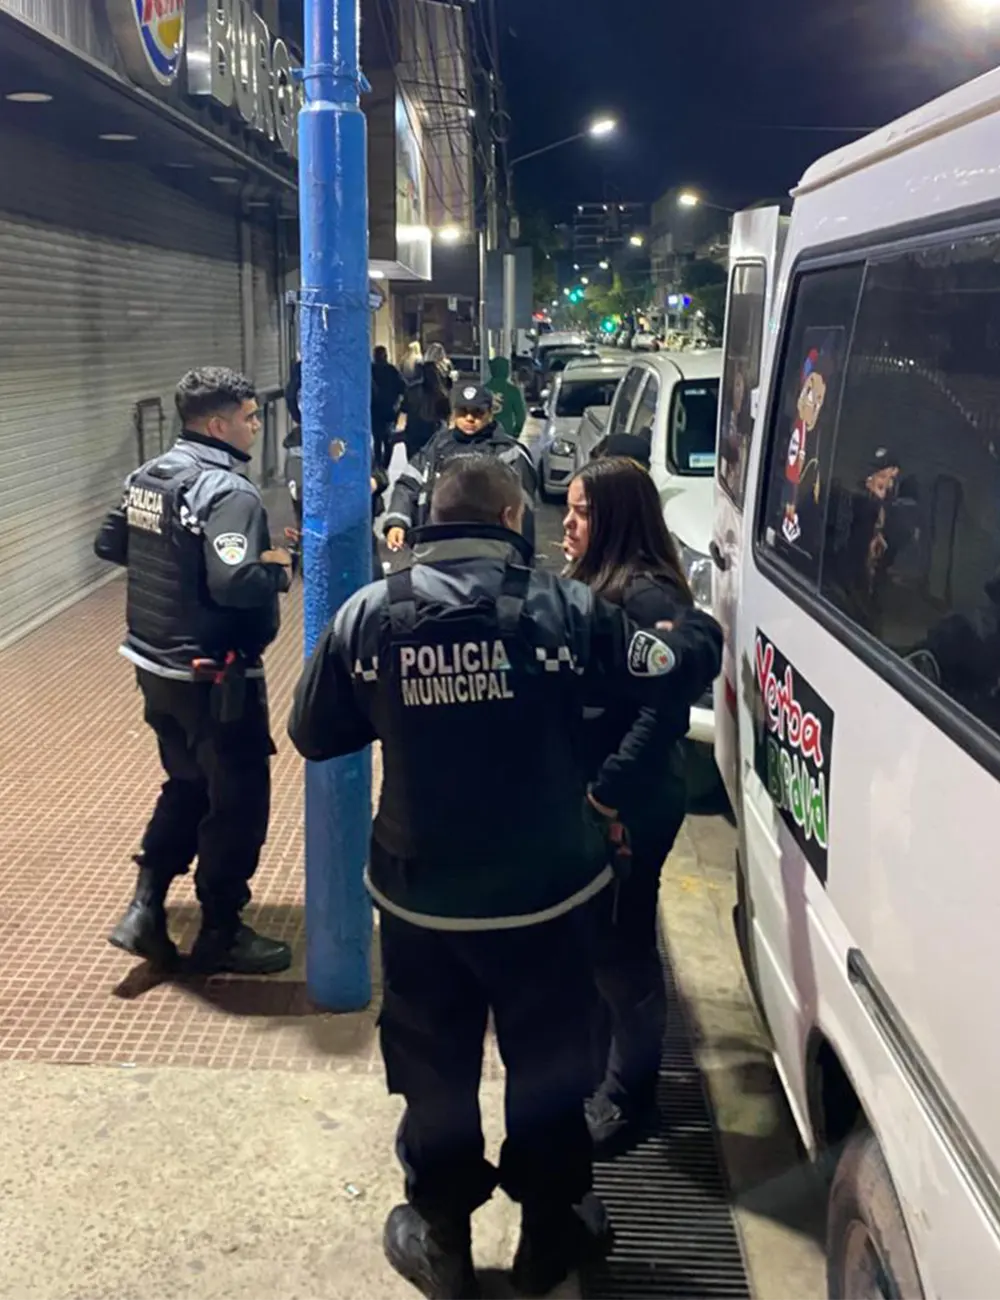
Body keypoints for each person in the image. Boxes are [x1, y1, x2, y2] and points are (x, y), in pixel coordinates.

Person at [288, 456, 722, 1300]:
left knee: (435, 1071)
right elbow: (670, 668)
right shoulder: (568, 610)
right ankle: (549, 1236)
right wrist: (691, 632)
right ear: (515, 515)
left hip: (422, 906)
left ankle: (442, 1239)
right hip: (548, 899)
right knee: (554, 1066)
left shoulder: (370, 614)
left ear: (430, 522)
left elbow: (313, 733)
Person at [94, 367, 294, 976]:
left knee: (186, 784)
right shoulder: (227, 492)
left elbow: (111, 544)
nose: (257, 426)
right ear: (217, 424)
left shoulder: (148, 476)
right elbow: (236, 583)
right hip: (214, 679)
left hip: (154, 667)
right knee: (237, 802)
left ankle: (145, 909)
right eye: (249, 417)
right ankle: (222, 931)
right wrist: (278, 567)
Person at [563, 458, 695, 1154]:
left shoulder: (648, 601)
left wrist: (606, 791)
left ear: (614, 518)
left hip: (630, 803)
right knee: (597, 943)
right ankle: (596, 1070)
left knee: (624, 954)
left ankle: (629, 1096)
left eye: (582, 513)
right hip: (600, 800)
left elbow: (660, 714)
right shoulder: (598, 585)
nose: (567, 524)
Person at [383, 382, 537, 555]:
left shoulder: (509, 453)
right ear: (453, 414)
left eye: (478, 412)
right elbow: (408, 484)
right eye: (463, 411)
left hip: (490, 551)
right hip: (436, 546)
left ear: (490, 414)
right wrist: (397, 521)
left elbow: (523, 509)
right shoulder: (437, 446)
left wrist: (521, 556)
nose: (469, 418)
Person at [396, 361, 452, 463]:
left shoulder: (412, 390)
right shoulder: (442, 394)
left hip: (414, 431)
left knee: (413, 462)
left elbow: (404, 410)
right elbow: (446, 415)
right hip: (433, 432)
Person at [372, 345, 407, 469]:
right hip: (389, 409)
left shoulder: (370, 370)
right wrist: (398, 403)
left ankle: (377, 462)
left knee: (377, 437)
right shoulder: (392, 370)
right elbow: (403, 387)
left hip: (374, 410)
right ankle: (386, 463)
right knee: (388, 438)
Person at [485, 356, 527, 439]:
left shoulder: (483, 389)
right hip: (506, 434)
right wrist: (516, 433)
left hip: (485, 434)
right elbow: (520, 416)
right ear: (507, 370)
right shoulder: (513, 391)